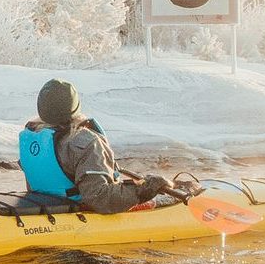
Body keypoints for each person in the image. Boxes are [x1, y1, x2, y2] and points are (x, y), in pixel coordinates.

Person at [19, 78, 172, 214]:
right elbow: (100, 198)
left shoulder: (31, 137)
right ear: (75, 107)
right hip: (79, 209)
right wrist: (142, 191)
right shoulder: (85, 142)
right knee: (161, 199)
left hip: (47, 204)